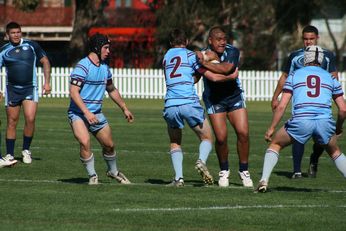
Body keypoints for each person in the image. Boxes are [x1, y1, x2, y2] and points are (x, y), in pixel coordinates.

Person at [255, 45, 346, 193]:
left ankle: (263, 180)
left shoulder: (294, 75)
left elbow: (281, 106)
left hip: (302, 120)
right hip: (324, 121)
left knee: (275, 144)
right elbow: (343, 109)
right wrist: (339, 127)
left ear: (305, 58)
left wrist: (271, 128)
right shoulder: (330, 77)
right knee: (335, 152)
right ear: (322, 59)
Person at [163, 28, 239, 187]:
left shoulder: (166, 57)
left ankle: (179, 179)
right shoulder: (191, 56)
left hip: (170, 104)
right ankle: (201, 161)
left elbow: (188, 74)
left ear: (171, 43)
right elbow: (213, 76)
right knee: (207, 137)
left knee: (175, 141)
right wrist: (230, 75)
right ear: (187, 42)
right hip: (188, 102)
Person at [271, 25, 338, 178]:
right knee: (298, 133)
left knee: (321, 139)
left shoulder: (327, 56)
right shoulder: (295, 56)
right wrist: (276, 96)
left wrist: (334, 98)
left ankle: (314, 158)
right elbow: (285, 77)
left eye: (311, 39)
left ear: (317, 38)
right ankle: (297, 171)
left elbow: (334, 77)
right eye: (305, 39)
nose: (308, 42)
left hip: (320, 102)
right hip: (300, 101)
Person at [68, 33, 134, 185]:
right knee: (85, 142)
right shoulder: (82, 66)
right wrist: (86, 112)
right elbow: (73, 92)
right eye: (106, 48)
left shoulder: (105, 68)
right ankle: (92, 176)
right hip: (78, 114)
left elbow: (111, 89)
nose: (108, 51)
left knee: (109, 146)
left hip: (96, 114)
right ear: (97, 48)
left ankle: (113, 171)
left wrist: (124, 108)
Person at [197, 26, 253, 188]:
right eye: (218, 39)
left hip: (234, 97)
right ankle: (224, 171)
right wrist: (203, 62)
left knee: (243, 133)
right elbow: (211, 76)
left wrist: (205, 64)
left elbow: (227, 69)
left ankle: (244, 171)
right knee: (221, 138)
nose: (222, 42)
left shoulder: (233, 51)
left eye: (224, 39)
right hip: (214, 100)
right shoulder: (203, 53)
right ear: (210, 40)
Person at [0, 21, 51, 166]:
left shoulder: (31, 45)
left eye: (18, 32)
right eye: (13, 33)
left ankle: (26, 150)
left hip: (30, 88)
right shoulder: (3, 50)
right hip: (12, 90)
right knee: (12, 121)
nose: (16, 35)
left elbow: (45, 61)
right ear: (7, 35)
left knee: (30, 118)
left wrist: (47, 82)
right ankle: (9, 154)